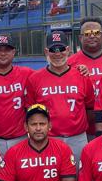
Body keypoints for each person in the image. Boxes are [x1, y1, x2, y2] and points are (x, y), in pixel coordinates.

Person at [26, 30, 94, 162]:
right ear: (46, 52)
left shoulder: (82, 76)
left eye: (61, 49)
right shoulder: (34, 79)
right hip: (48, 138)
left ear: (68, 50)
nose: (57, 53)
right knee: (50, 179)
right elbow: (30, 111)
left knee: (80, 178)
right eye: (53, 49)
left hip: (77, 138)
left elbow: (90, 108)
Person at [68, 18, 102, 112]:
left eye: (96, 32)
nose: (92, 36)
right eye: (87, 33)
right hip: (83, 119)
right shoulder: (69, 63)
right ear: (80, 38)